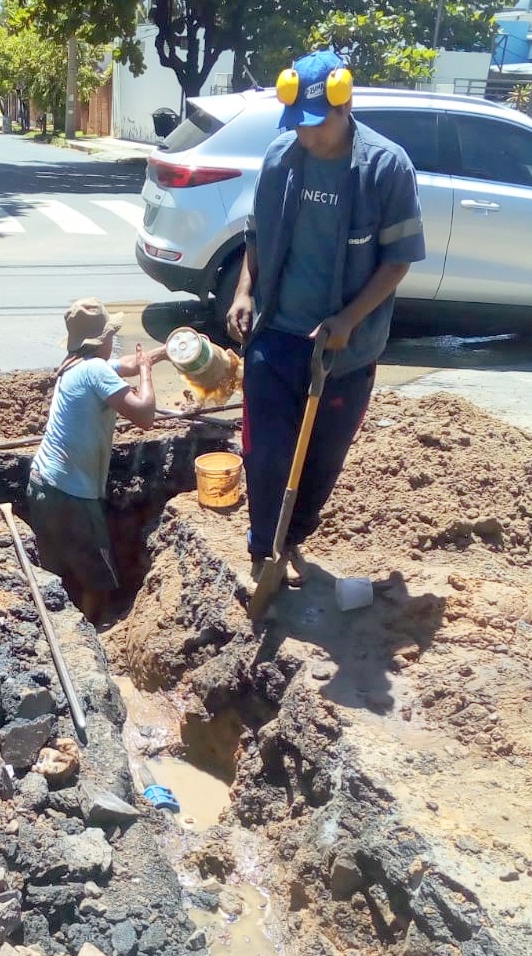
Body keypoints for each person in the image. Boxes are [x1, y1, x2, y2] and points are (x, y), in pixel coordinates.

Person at [227, 50, 425, 585]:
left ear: (345, 104)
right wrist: (246, 290)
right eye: (297, 125)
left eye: (315, 125)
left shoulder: (385, 168)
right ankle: (261, 551)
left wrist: (349, 318)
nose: (306, 136)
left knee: (320, 463)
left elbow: (398, 258)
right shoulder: (280, 158)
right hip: (277, 335)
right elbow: (256, 234)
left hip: (346, 350)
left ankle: (292, 539)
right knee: (265, 455)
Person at [27, 298, 168, 624]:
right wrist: (147, 373)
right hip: (72, 496)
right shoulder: (95, 370)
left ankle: (60, 629)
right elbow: (145, 415)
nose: (113, 340)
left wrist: (162, 353)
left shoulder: (76, 363)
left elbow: (129, 363)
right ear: (99, 340)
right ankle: (91, 633)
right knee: (99, 581)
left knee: (55, 575)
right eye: (110, 334)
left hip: (43, 485)